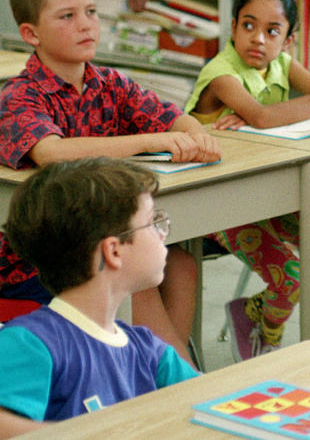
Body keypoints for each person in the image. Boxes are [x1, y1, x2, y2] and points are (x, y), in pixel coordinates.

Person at [0, 0, 221, 366]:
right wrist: (152, 141)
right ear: (31, 34)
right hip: (38, 256)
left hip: (102, 238)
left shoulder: (111, 83)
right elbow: (50, 152)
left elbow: (174, 117)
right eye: (67, 16)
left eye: (92, 12)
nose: (86, 25)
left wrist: (195, 136)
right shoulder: (19, 95)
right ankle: (176, 382)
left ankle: (155, 372)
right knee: (136, 272)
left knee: (182, 265)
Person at [184, 0, 310, 361]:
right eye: (249, 26)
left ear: (288, 41)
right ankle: (268, 330)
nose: (258, 39)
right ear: (233, 27)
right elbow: (265, 116)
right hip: (220, 202)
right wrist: (279, 113)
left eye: (272, 31)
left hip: (276, 192)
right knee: (290, 276)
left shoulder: (283, 64)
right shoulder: (221, 73)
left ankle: (256, 308)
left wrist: (307, 105)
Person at [0, 158, 199, 435]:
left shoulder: (150, 352)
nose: (162, 233)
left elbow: (209, 401)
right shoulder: (31, 343)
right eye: (153, 222)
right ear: (114, 251)